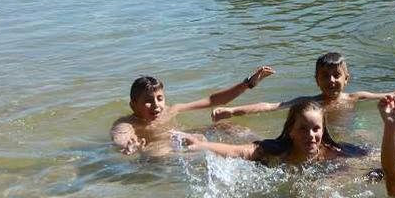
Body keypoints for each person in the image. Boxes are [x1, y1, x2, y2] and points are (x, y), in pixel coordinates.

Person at [211, 52, 395, 122]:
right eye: (325, 76)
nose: (331, 81)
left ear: (346, 78)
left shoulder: (355, 97)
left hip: (352, 130)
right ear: (316, 80)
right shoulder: (310, 102)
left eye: (336, 75)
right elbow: (270, 106)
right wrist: (232, 111)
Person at [110, 66, 274, 156]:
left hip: (183, 140)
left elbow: (212, 100)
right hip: (159, 151)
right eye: (147, 101)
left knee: (227, 126)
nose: (156, 105)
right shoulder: (126, 123)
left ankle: (268, 148)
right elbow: (120, 137)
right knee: (158, 152)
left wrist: (248, 84)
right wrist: (129, 146)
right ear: (133, 105)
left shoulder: (171, 110)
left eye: (159, 98)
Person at [176, 101, 363, 166]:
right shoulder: (276, 150)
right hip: (262, 145)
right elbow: (238, 152)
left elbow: (369, 158)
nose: (311, 135)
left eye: (316, 129)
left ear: (323, 130)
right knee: (237, 132)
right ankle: (208, 131)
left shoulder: (332, 151)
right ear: (290, 131)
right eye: (303, 129)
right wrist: (202, 145)